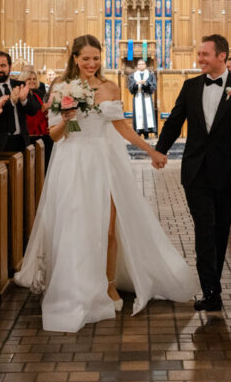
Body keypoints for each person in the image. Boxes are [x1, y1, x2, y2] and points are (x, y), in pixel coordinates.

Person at [15, 35, 196, 332]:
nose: (91, 63)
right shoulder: (61, 88)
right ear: (74, 58)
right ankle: (75, 285)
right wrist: (67, 117)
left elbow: (121, 126)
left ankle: (109, 284)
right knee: (75, 225)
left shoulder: (111, 88)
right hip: (71, 162)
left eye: (95, 58)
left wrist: (150, 150)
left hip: (103, 160)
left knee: (109, 227)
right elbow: (55, 136)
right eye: (85, 58)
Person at [155, 34, 231, 313]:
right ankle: (211, 291)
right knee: (205, 227)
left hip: (228, 173)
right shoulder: (190, 87)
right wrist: (160, 150)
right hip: (196, 171)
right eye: (199, 54)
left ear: (221, 56)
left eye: (205, 54)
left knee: (220, 230)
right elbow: (174, 122)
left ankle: (213, 284)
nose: (199, 58)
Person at [0, 51, 39, 152]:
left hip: (21, 140)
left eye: (3, 65)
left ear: (10, 67)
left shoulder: (20, 84)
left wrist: (24, 100)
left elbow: (33, 111)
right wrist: (11, 101)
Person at [21, 66, 53, 166]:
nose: (32, 81)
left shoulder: (37, 93)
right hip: (31, 134)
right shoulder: (22, 94)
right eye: (29, 79)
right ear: (23, 80)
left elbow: (41, 109)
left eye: (34, 79)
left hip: (42, 132)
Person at [128, 58, 158, 138]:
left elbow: (154, 86)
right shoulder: (133, 75)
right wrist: (136, 84)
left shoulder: (150, 75)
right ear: (137, 66)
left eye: (142, 64)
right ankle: (138, 132)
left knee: (147, 114)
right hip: (138, 96)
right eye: (139, 64)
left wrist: (146, 83)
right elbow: (130, 87)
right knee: (139, 114)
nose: (141, 66)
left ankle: (146, 133)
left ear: (145, 65)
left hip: (146, 97)